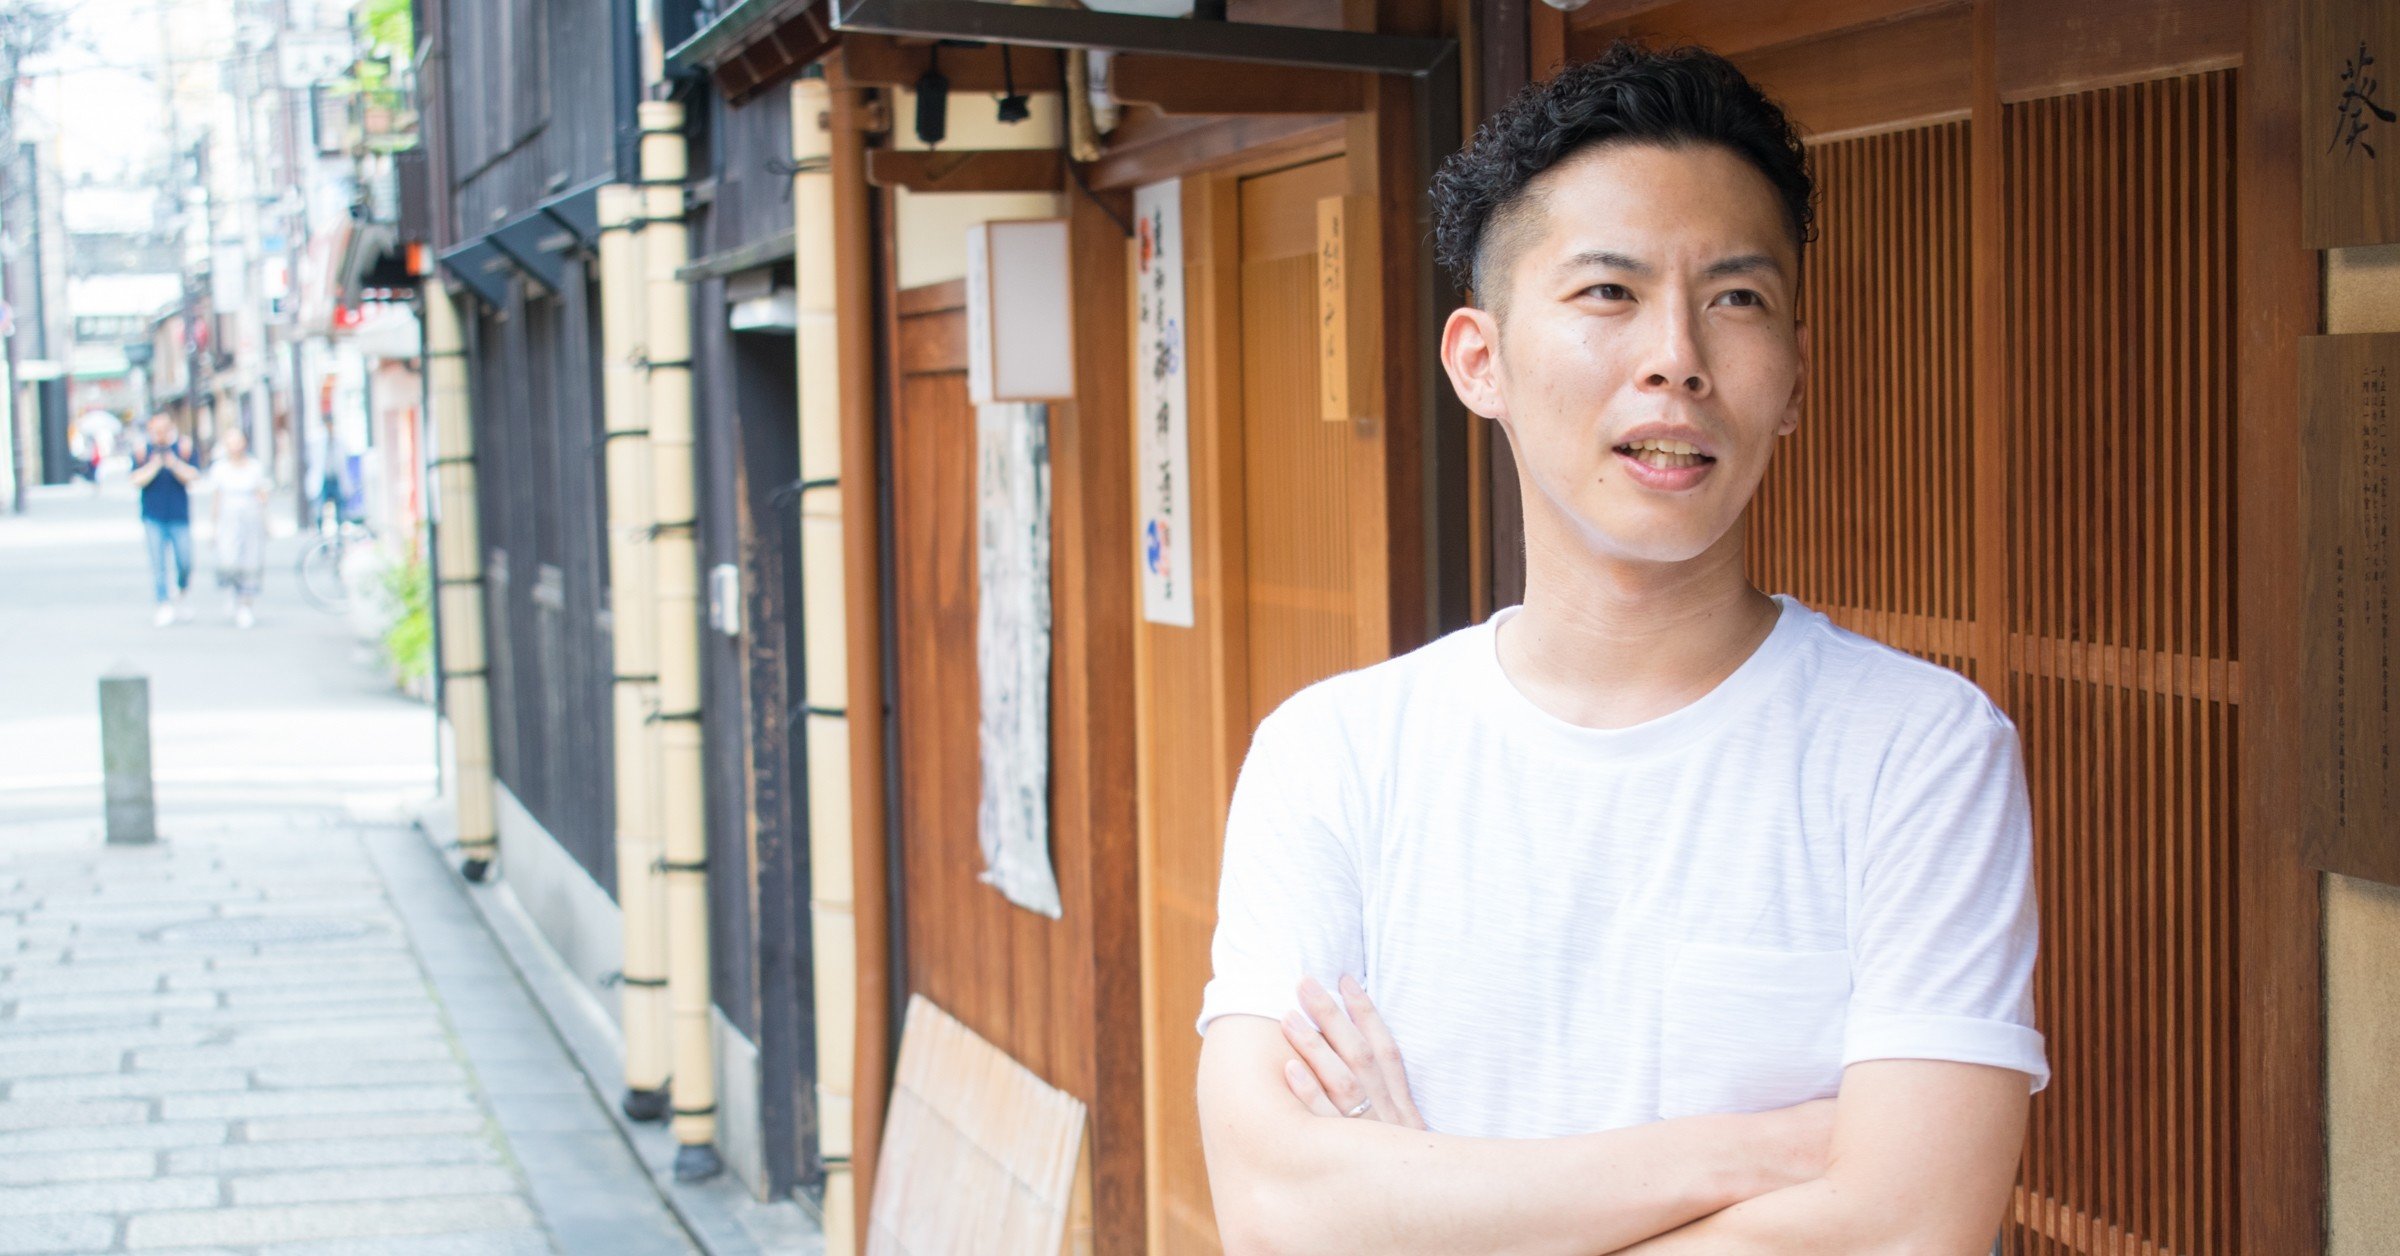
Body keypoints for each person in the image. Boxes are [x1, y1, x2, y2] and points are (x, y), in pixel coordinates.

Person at [1195, 43, 2046, 1255]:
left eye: (1737, 299)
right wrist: (1752, 1151)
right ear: (1479, 360)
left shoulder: (1919, 751)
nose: (1677, 355)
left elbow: (1905, 1231)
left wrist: (1429, 1206)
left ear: (1795, 376)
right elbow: (1277, 1210)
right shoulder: (1333, 755)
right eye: (1609, 292)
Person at [129, 414, 201, 627]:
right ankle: (163, 603)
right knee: (158, 563)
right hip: (153, 517)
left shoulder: (183, 448)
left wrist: (173, 464)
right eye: (155, 430)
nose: (159, 434)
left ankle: (182, 591)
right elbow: (135, 479)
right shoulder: (143, 451)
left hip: (180, 516)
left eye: (163, 429)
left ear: (170, 429)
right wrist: (154, 465)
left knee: (185, 561)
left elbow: (193, 476)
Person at [206, 427, 271, 628]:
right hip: (228, 517)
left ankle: (245, 604)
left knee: (251, 560)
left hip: (251, 515)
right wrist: (213, 528)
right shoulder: (220, 469)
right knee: (229, 558)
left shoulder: (254, 467)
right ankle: (232, 592)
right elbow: (216, 498)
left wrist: (267, 522)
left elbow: (262, 494)